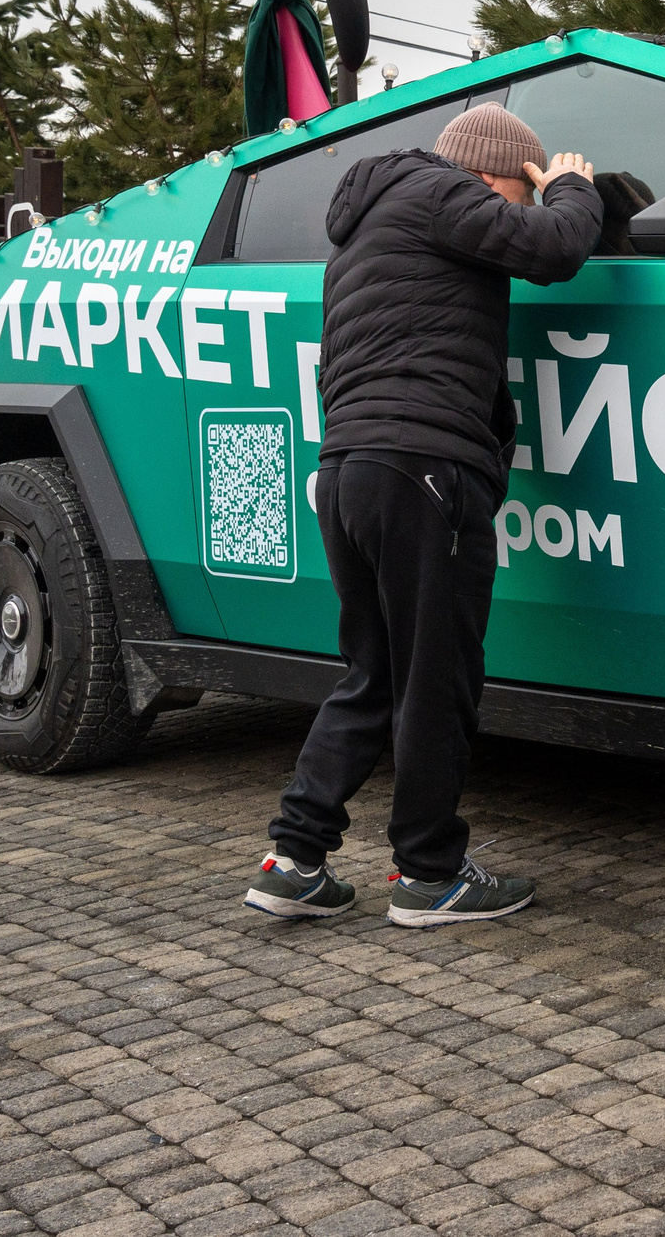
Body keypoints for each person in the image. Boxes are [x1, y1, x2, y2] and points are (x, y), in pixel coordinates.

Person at [244, 101, 602, 927]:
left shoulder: (367, 228)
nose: (517, 211)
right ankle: (431, 874)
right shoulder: (444, 196)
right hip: (422, 471)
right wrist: (570, 187)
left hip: (349, 469)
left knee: (373, 674)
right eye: (519, 193)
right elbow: (555, 249)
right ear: (497, 176)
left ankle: (294, 859)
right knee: (436, 681)